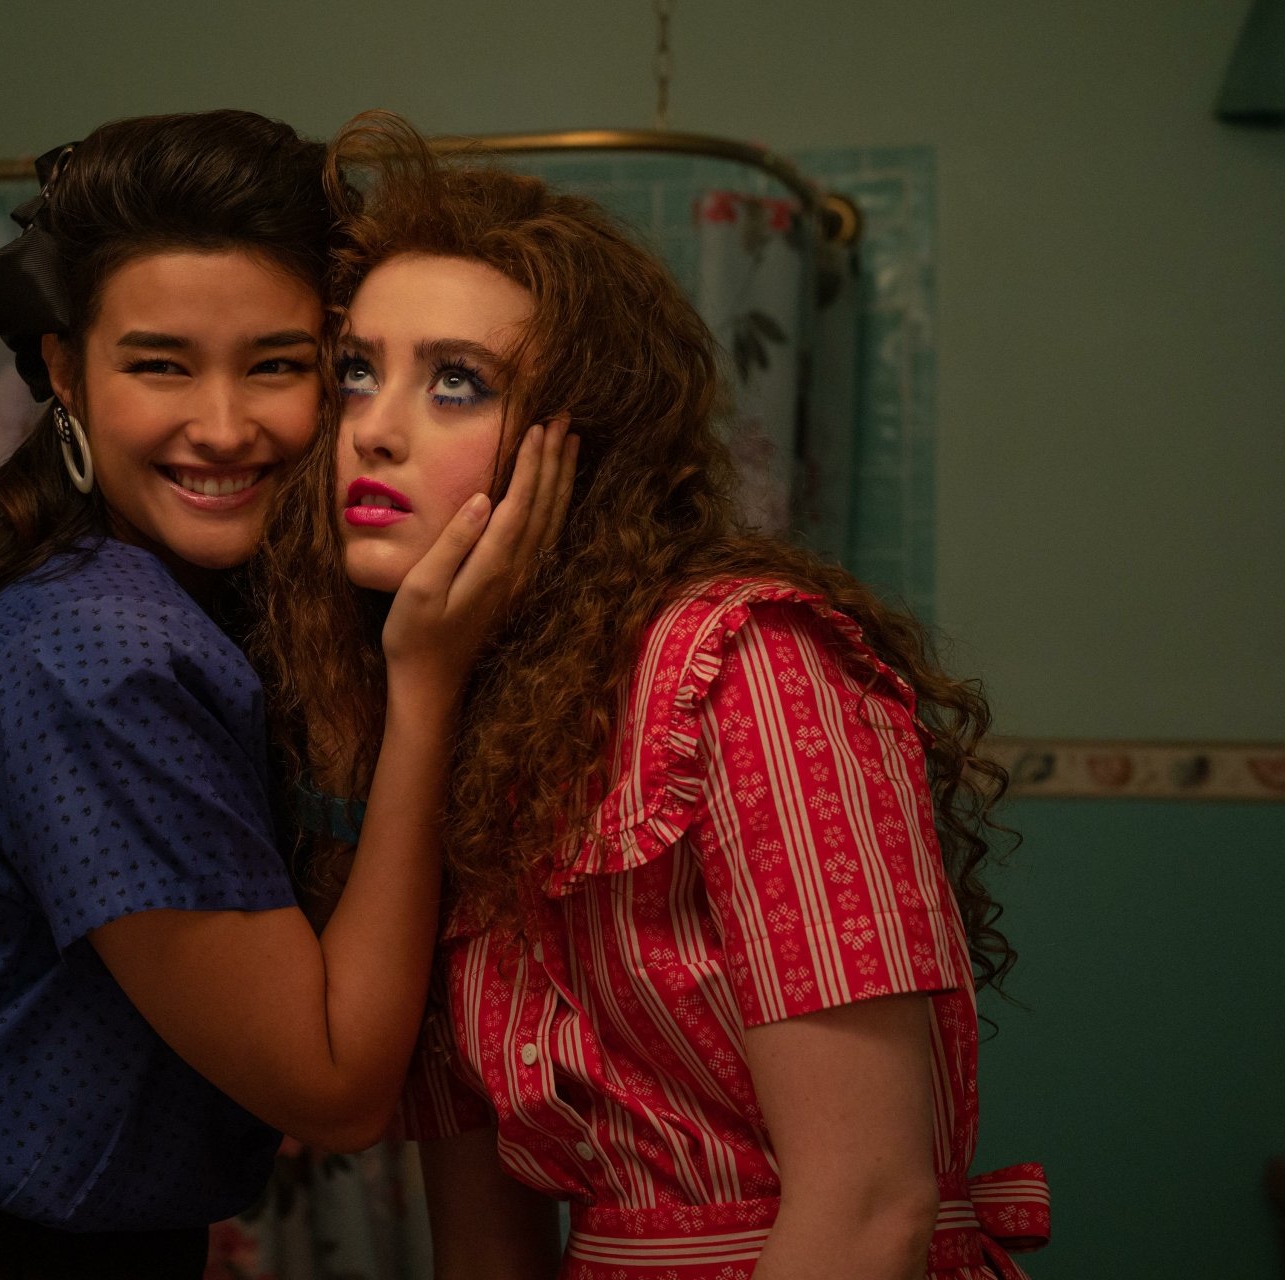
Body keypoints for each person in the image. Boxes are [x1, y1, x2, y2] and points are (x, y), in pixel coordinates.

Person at [0, 109, 576, 1280]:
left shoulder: (190, 605)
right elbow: (335, 1089)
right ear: (65, 372)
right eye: (160, 364)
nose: (223, 429)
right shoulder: (106, 651)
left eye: (278, 364)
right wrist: (426, 685)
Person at [253, 113, 1049, 1280]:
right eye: (357, 372)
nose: (373, 428)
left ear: (587, 447)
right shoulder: (437, 715)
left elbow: (870, 1202)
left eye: (458, 383)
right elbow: (482, 1243)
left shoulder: (749, 664)